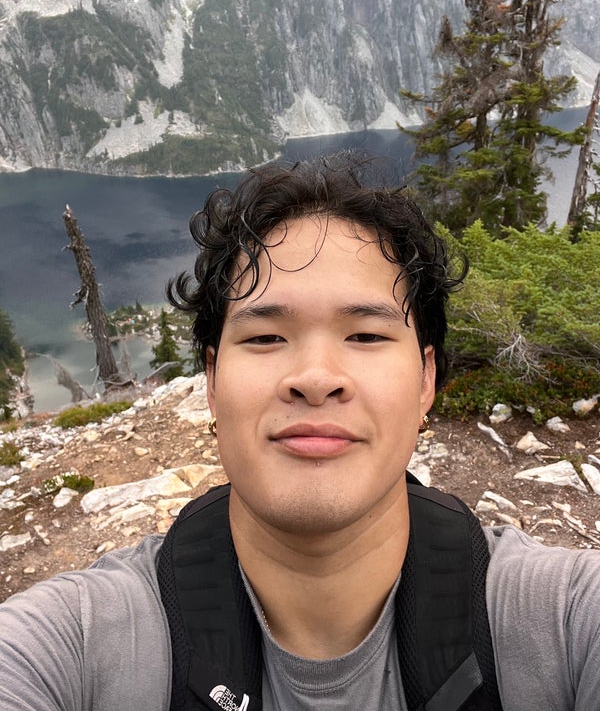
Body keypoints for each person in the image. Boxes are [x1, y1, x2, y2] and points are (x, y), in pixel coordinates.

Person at [1, 151, 599, 711]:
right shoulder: (72, 643)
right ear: (212, 381)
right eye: (265, 337)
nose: (315, 379)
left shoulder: (565, 617)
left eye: (366, 335)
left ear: (426, 380)